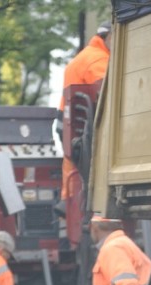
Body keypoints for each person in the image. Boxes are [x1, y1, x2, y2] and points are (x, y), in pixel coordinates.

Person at [57, 20, 112, 208]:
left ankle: (70, 213)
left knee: (72, 178)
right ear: (109, 37)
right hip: (83, 129)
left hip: (70, 127)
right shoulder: (99, 59)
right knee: (85, 181)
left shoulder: (83, 56)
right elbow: (107, 94)